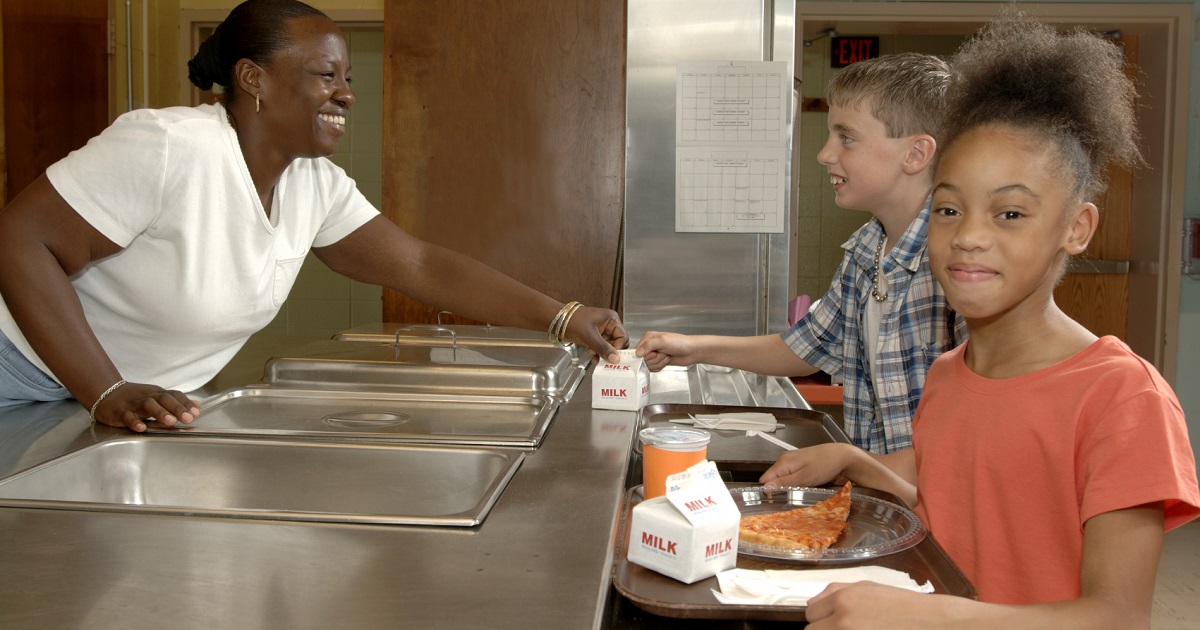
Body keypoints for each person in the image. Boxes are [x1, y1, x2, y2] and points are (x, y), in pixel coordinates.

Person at [0, 0, 627, 432]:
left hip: (119, 398)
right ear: (253, 80)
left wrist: (562, 317)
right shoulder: (172, 146)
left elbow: (421, 265)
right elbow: (22, 240)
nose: (347, 92)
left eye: (347, 77)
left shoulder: (314, 186)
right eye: (326, 74)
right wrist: (104, 388)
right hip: (19, 370)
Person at [763, 15, 1200, 628]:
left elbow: (1116, 616)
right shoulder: (948, 374)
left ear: (1077, 228)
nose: (968, 236)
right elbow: (967, 520)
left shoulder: (1123, 398)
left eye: (1011, 213)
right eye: (948, 207)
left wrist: (930, 616)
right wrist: (853, 460)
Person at [636, 53, 965, 453]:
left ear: (916, 154)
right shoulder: (866, 249)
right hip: (891, 498)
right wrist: (695, 348)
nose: (825, 154)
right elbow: (807, 347)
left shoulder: (961, 260)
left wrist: (849, 462)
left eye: (846, 137)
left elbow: (977, 432)